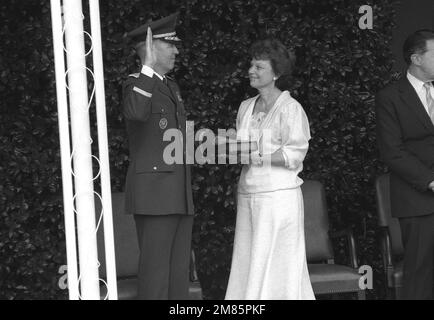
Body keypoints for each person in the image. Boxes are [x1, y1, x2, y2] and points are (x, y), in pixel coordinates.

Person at [225, 39, 315, 300]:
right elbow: (241, 149)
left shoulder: (290, 109)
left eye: (259, 66)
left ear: (276, 73)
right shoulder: (245, 107)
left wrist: (255, 153)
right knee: (247, 262)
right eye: (251, 64)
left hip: (279, 198)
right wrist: (225, 145)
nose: (251, 70)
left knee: (279, 266)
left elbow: (294, 154)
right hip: (248, 193)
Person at [122, 13, 194, 300]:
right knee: (155, 278)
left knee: (178, 277)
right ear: (151, 48)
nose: (176, 50)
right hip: (154, 196)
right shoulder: (137, 83)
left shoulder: (169, 86)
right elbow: (136, 112)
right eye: (170, 44)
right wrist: (148, 68)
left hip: (178, 192)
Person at [376, 29, 434, 300]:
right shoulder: (390, 97)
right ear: (416, 59)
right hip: (418, 199)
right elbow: (392, 151)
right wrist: (430, 180)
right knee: (420, 274)